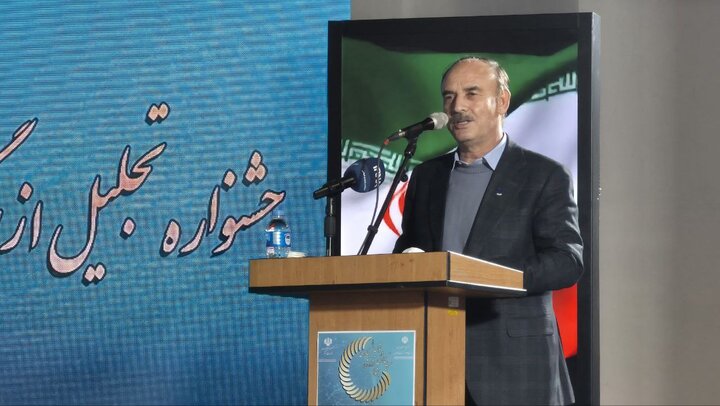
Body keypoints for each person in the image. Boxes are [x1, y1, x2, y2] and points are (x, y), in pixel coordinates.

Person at [393, 57, 584, 405]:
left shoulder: (544, 175)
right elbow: (409, 247)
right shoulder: (426, 176)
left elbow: (566, 261)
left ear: (502, 101)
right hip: (435, 353)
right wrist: (408, 260)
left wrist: (493, 277)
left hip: (515, 363)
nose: (457, 107)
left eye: (471, 93)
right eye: (449, 96)